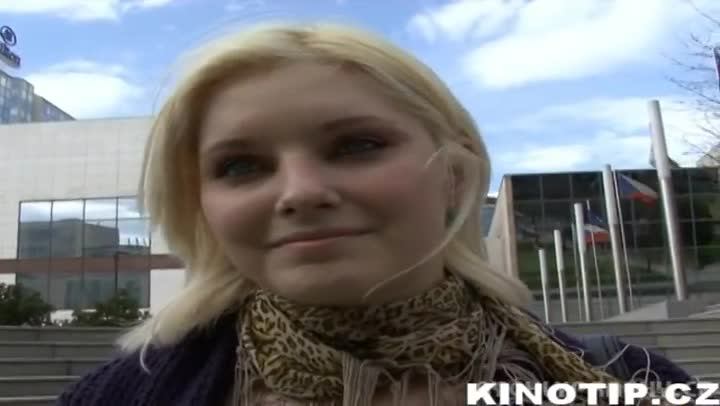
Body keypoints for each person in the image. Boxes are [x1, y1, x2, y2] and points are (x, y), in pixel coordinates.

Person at [56, 22, 693, 406]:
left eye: (357, 146)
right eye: (241, 166)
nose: (300, 192)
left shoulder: (637, 383)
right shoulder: (115, 397)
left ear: (454, 174)